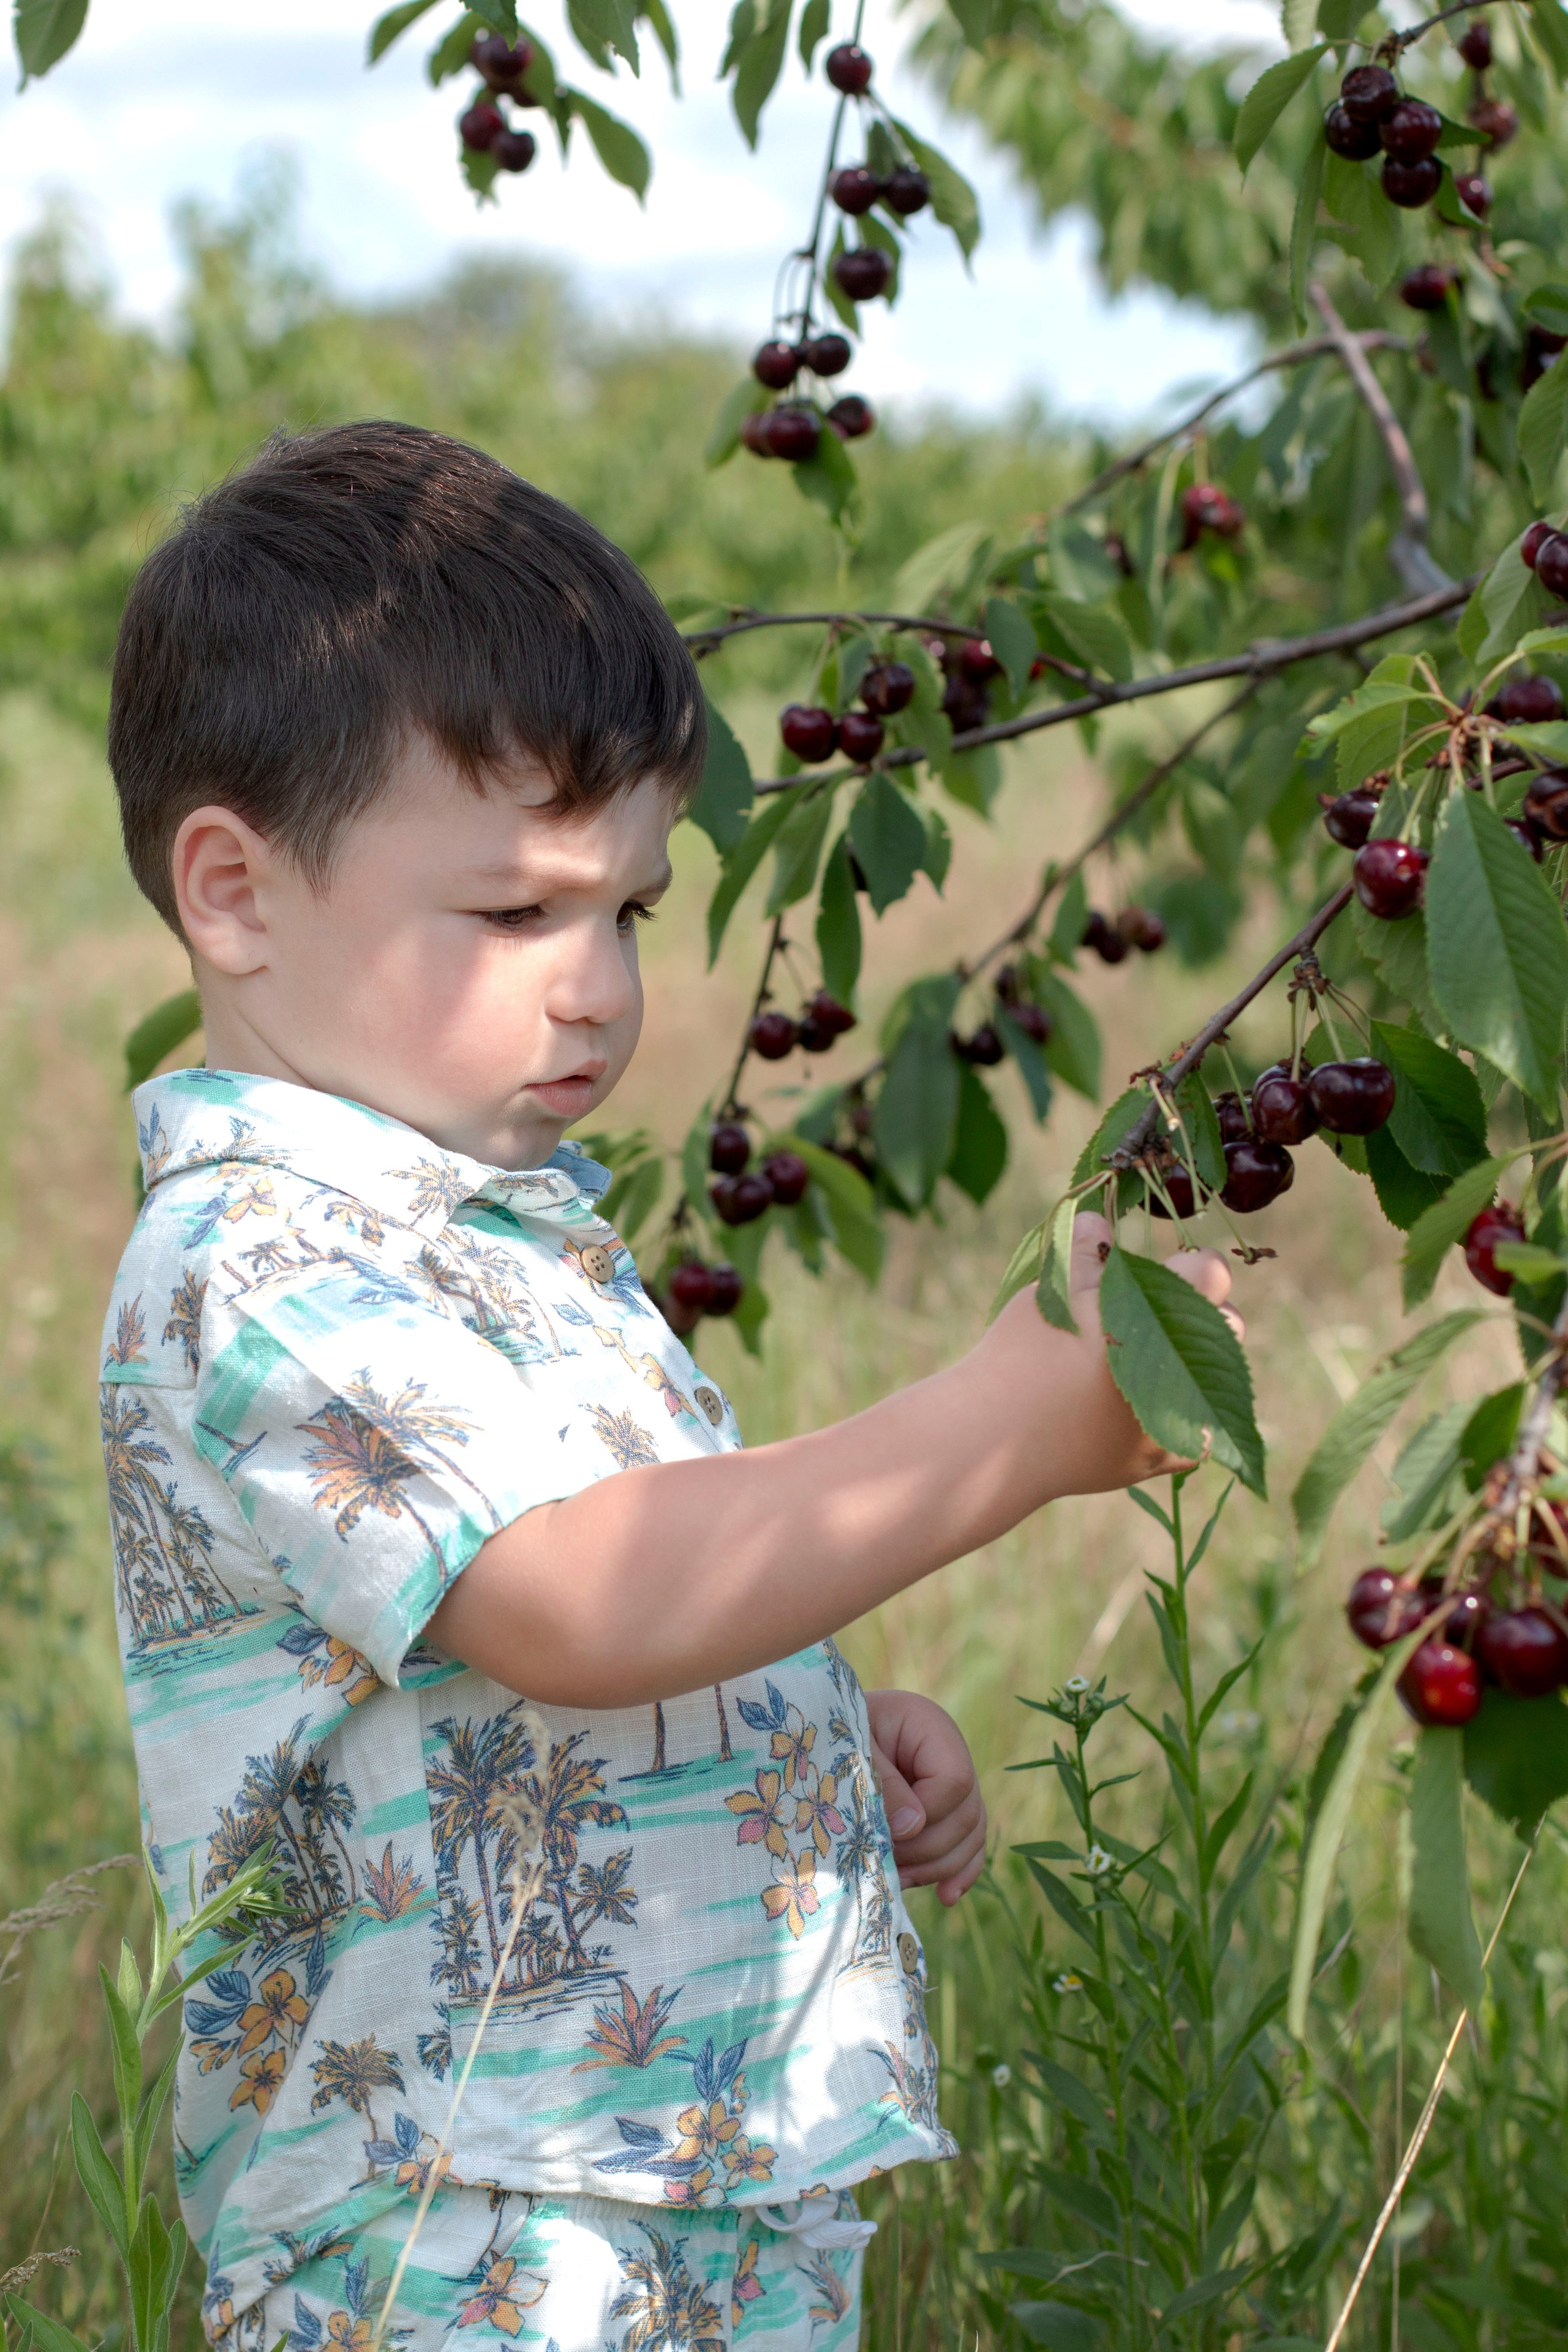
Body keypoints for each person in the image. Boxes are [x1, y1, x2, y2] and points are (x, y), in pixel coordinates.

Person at [100, 420, 1235, 2352]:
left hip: (695, 2180)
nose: (600, 985)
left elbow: (624, 1598)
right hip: (461, 2230)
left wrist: (802, 1727)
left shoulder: (518, 1236)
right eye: (519, 911)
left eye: (630, 909)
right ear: (236, 892)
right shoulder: (258, 1266)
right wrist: (1003, 1431)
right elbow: (577, 1600)